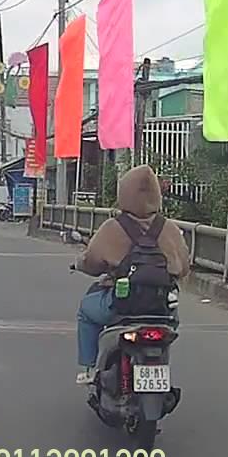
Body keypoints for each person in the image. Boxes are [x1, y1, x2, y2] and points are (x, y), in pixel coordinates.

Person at [72, 165, 190, 385]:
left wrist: (79, 264)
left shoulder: (112, 227)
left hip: (121, 305)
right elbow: (184, 267)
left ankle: (89, 367)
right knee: (170, 329)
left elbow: (91, 263)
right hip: (162, 308)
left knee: (86, 311)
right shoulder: (170, 229)